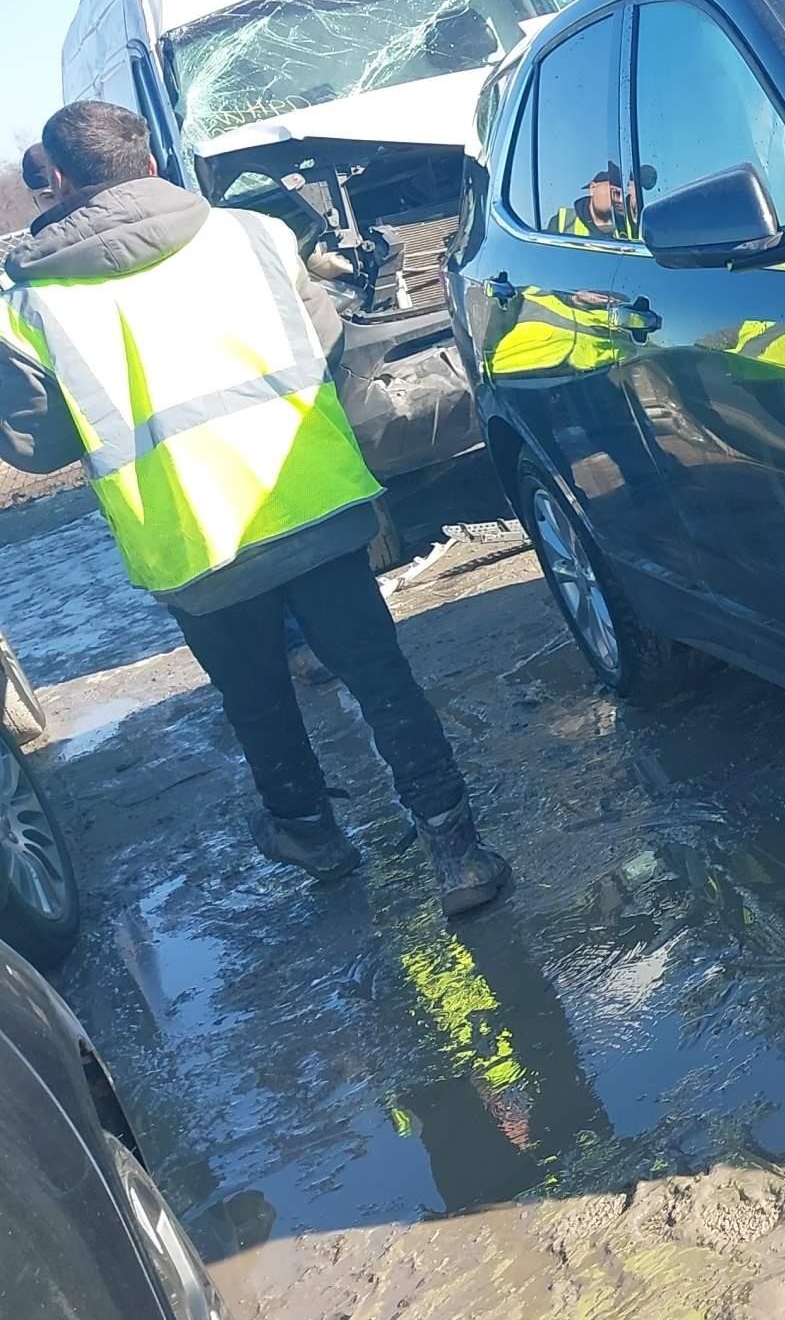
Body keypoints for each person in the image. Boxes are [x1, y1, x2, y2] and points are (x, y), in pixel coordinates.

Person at [0, 102, 508, 915]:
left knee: (256, 698)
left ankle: (311, 833)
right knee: (381, 677)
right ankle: (458, 852)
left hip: (192, 540)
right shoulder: (252, 236)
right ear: (154, 163)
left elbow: (38, 448)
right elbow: (326, 339)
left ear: (55, 181)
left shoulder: (28, 307)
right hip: (309, 499)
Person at [548, 166, 639, 241]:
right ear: (592, 188)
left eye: (623, 194)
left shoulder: (629, 223)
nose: (620, 200)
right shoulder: (563, 222)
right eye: (614, 192)